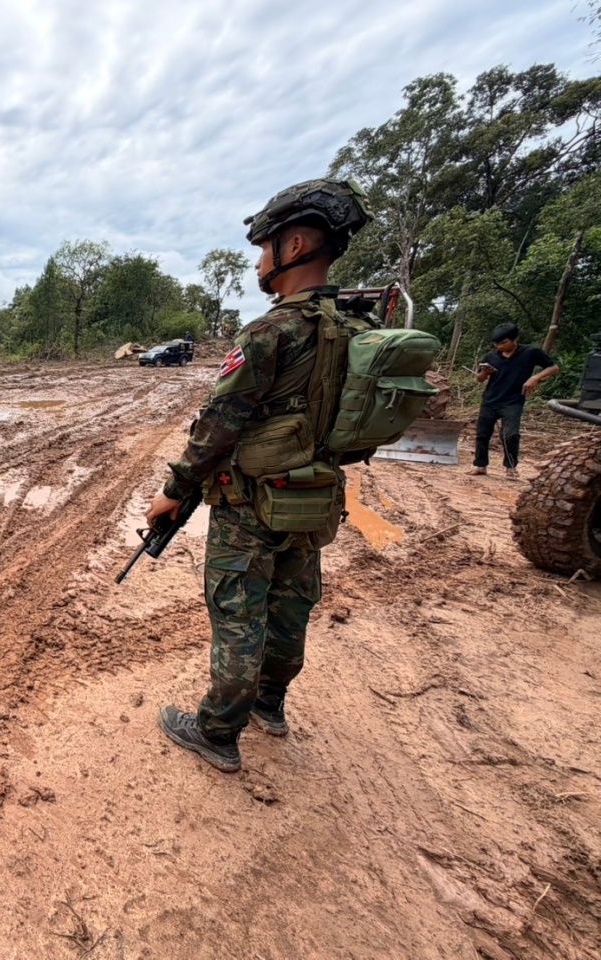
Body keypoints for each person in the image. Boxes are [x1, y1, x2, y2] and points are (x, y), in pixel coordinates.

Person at [145, 179, 371, 773]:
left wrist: (174, 492)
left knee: (238, 614)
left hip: (250, 504)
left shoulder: (271, 332)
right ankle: (271, 705)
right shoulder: (357, 331)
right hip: (315, 497)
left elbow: (220, 423)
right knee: (292, 606)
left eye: (264, 249)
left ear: (294, 246)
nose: (258, 263)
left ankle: (218, 732)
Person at [472, 324, 558, 479]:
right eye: (496, 344)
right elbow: (479, 379)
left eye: (503, 343)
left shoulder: (530, 352)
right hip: (490, 400)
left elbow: (553, 368)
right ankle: (480, 466)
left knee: (510, 435)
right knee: (482, 434)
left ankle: (510, 467)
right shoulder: (491, 356)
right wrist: (485, 372)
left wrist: (535, 378)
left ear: (515, 339)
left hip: (513, 401)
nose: (499, 346)